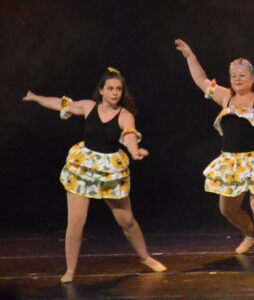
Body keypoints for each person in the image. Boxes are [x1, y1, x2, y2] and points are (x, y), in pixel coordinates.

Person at [22, 67, 166, 283]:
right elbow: (60, 104)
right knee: (76, 222)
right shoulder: (89, 107)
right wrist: (36, 98)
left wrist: (135, 151)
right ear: (101, 90)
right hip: (84, 168)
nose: (115, 93)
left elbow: (129, 136)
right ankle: (70, 270)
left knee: (127, 221)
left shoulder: (125, 115)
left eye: (118, 89)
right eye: (110, 88)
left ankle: (145, 257)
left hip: (110, 170)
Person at [175, 34, 254, 261]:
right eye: (233, 75)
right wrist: (190, 56)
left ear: (253, 78)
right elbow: (201, 80)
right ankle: (250, 234)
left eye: (242, 75)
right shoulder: (225, 97)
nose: (237, 79)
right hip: (231, 162)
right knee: (227, 209)